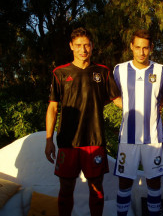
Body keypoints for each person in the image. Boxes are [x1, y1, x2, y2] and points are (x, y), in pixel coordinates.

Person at [45, 27, 121, 216]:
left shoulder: (102, 72)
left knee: (96, 189)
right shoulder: (60, 73)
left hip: (94, 140)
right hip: (67, 141)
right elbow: (53, 108)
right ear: (71, 46)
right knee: (66, 188)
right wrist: (48, 140)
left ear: (92, 46)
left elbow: (117, 100)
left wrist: (145, 108)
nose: (83, 49)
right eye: (78, 45)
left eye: (86, 45)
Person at [113, 29, 163, 216]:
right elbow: (113, 97)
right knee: (124, 183)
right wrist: (130, 107)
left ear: (151, 48)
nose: (142, 52)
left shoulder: (161, 70)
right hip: (128, 138)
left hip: (153, 137)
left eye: (146, 48)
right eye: (138, 47)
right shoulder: (120, 70)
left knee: (154, 182)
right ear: (131, 47)